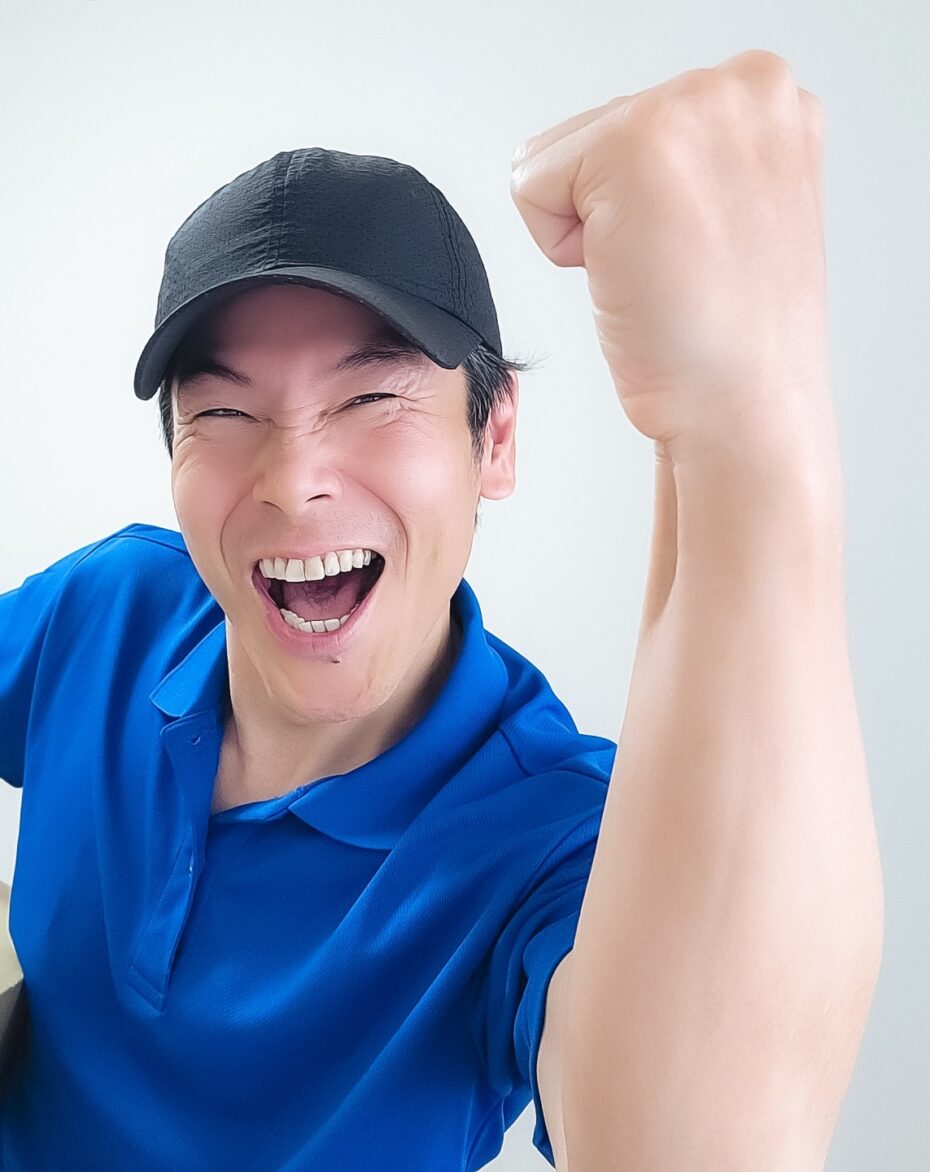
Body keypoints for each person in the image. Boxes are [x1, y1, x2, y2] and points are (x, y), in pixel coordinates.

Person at [0, 146, 616, 1170]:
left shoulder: (558, 832)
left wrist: (726, 437)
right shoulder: (109, 608)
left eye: (371, 399)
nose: (291, 481)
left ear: (495, 436)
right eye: (224, 412)